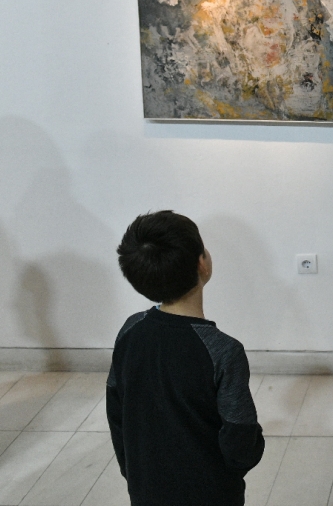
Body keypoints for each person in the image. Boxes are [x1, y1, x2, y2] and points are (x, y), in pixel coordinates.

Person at [107, 210, 264, 506]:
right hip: (212, 494)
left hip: (146, 491)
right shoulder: (223, 350)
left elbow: (117, 411)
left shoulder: (130, 331)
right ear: (202, 264)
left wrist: (133, 471)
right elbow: (240, 440)